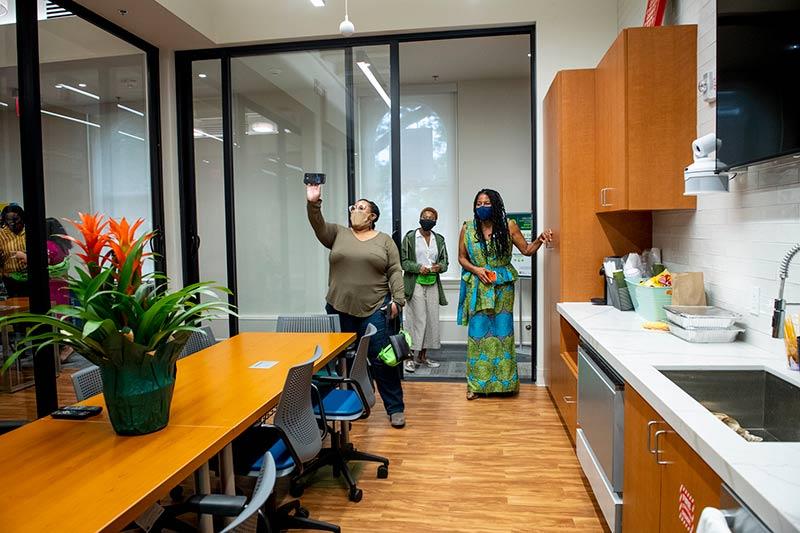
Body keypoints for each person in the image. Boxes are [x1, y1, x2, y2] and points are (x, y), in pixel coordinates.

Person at [306, 183, 408, 428]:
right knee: (346, 360)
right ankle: (355, 401)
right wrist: (313, 202)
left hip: (374, 308)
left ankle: (395, 408)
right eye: (353, 207)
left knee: (382, 360)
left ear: (372, 216)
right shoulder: (338, 234)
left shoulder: (384, 241)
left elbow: (395, 270)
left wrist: (398, 300)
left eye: (361, 208)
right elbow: (317, 224)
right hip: (338, 307)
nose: (355, 210)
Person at [457, 189, 553, 400]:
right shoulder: (467, 227)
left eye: (487, 203)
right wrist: (477, 270)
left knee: (503, 333)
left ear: (496, 205)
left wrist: (540, 239)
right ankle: (476, 385)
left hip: (503, 287)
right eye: (479, 204)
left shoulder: (509, 226)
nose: (482, 207)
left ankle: (505, 384)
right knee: (478, 334)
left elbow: (527, 250)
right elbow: (461, 258)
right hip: (479, 286)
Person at [400, 207, 448, 373]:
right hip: (415, 283)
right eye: (424, 216)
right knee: (416, 319)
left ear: (435, 221)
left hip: (432, 282)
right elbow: (404, 262)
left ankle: (422, 356)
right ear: (420, 218)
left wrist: (438, 267)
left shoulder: (439, 239)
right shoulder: (410, 237)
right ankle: (409, 359)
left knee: (430, 319)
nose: (427, 219)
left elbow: (445, 263)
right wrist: (418, 267)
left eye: (431, 218)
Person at [0, 204, 28, 297]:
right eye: (9, 220)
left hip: (30, 277)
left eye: (16, 219)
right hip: (10, 279)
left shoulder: (29, 231)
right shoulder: (1, 234)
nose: (13, 223)